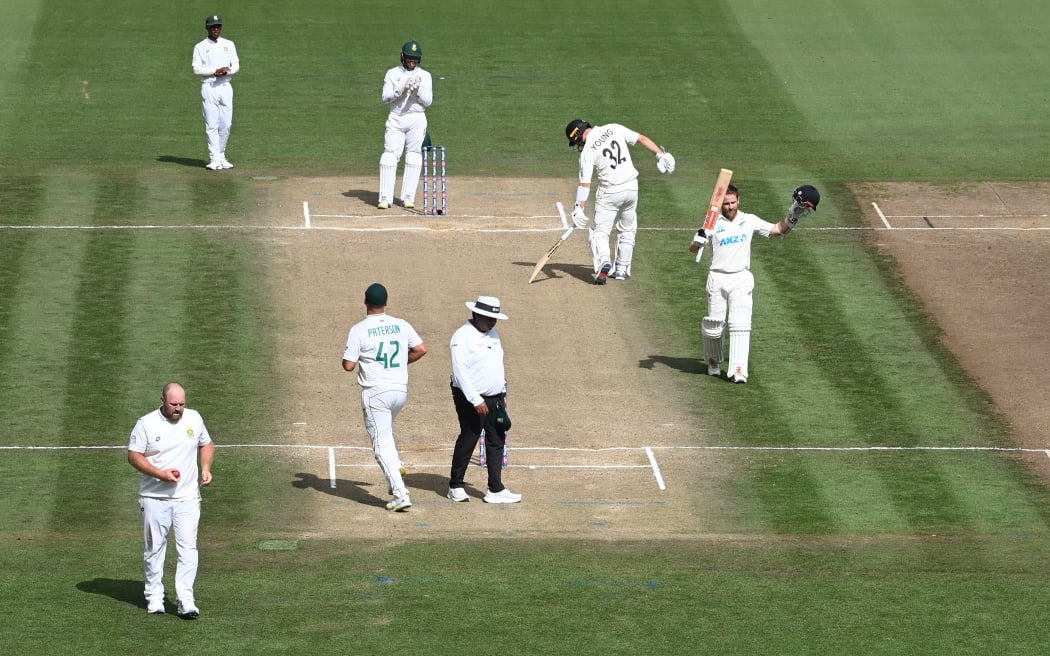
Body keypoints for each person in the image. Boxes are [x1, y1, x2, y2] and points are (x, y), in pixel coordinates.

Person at [690, 184, 820, 383]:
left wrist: (793, 216)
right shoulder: (711, 224)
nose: (730, 206)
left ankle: (739, 369)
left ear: (738, 201)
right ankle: (713, 361)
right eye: (726, 203)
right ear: (721, 204)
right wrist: (698, 240)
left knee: (740, 324)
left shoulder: (748, 220)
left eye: (733, 202)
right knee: (714, 328)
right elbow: (693, 250)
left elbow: (777, 230)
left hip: (741, 277)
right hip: (717, 277)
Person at [127, 382, 214, 618]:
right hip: (154, 498)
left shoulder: (194, 418)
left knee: (188, 548)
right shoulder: (146, 424)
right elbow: (133, 456)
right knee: (154, 549)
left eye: (182, 404)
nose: (178, 409)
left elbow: (206, 443)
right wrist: (160, 474)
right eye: (174, 404)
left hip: (187, 498)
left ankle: (186, 599)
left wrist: (205, 468)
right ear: (163, 401)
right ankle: (154, 597)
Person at [342, 283, 428, 511]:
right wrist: (400, 362)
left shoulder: (359, 329)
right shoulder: (401, 325)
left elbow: (348, 365)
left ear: (365, 302)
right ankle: (396, 465)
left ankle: (400, 494)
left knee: (380, 443)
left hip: (376, 393)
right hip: (399, 391)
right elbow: (421, 349)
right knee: (385, 434)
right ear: (386, 302)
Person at [565, 118, 676, 284]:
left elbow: (585, 184)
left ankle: (604, 262)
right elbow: (642, 139)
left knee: (600, 232)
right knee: (627, 228)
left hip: (610, 192)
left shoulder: (587, 151)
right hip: (632, 188)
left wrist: (579, 208)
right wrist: (661, 154)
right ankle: (621, 270)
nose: (578, 146)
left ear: (578, 135)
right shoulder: (613, 128)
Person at [447, 296, 520, 503]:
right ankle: (455, 485)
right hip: (472, 400)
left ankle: (495, 488)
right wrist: (475, 399)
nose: (492, 322)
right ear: (476, 314)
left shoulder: (493, 334)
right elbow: (460, 373)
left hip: (495, 398)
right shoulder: (462, 337)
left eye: (494, 318)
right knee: (469, 437)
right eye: (489, 317)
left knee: (497, 440)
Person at [378, 40, 434, 209]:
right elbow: (385, 98)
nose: (412, 61)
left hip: (416, 118)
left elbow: (428, 102)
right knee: (389, 156)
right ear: (403, 56)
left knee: (414, 156)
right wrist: (400, 90)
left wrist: (417, 93)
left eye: (415, 59)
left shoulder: (425, 76)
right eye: (409, 57)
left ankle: (408, 197)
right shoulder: (392, 73)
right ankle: (385, 198)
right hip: (396, 117)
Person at [192, 15, 240, 170]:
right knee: (212, 124)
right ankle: (214, 159)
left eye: (218, 26)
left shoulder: (229, 44)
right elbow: (196, 69)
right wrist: (214, 72)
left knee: (226, 124)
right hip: (209, 86)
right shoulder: (200, 47)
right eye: (213, 27)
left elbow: (236, 64)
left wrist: (228, 70)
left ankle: (221, 156)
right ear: (207, 28)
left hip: (226, 86)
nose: (216, 29)